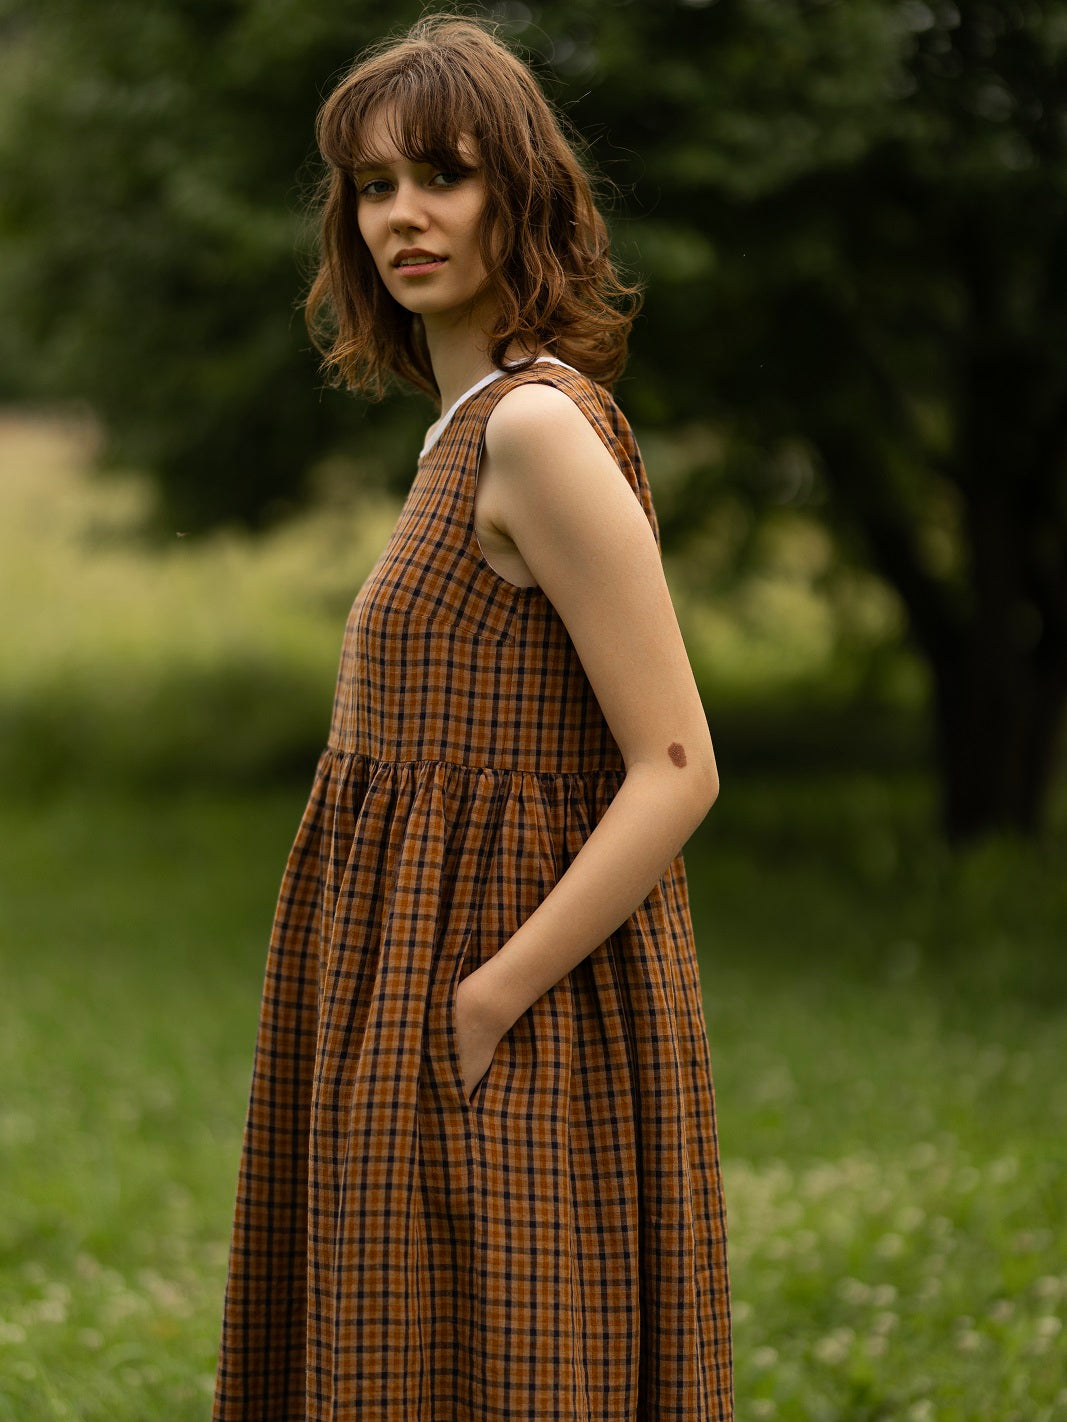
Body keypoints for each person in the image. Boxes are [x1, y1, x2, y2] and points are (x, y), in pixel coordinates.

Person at [212, 13, 733, 1420]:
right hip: (405, 986)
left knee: (506, 1370)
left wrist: (487, 999)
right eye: (372, 187)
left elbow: (677, 765)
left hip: (506, 995)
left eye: (440, 174)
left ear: (518, 192)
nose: (402, 216)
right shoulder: (463, 428)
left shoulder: (536, 427)